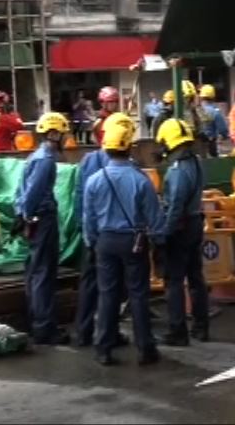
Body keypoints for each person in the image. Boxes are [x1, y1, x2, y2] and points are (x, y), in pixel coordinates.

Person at [82, 113, 164, 366]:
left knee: (107, 294)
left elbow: (89, 219)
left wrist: (92, 243)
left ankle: (103, 348)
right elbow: (155, 218)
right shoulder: (140, 180)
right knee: (138, 294)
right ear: (129, 148)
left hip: (105, 242)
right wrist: (159, 241)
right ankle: (145, 349)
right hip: (134, 242)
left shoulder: (94, 181)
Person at [74, 112, 131, 349]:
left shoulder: (89, 160)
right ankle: (108, 335)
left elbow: (81, 197)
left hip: (94, 234)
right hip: (112, 235)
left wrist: (85, 232)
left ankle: (84, 333)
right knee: (112, 287)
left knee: (91, 284)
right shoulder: (126, 166)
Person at [17, 112, 72, 346]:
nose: (66, 138)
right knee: (44, 274)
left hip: (35, 219)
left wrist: (22, 215)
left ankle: (37, 322)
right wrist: (27, 215)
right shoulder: (45, 161)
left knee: (35, 272)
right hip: (42, 220)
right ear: (53, 134)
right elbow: (33, 193)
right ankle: (44, 328)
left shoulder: (36, 157)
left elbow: (23, 192)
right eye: (63, 134)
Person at [155, 118, 209, 345]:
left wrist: (164, 235)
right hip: (195, 223)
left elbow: (175, 206)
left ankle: (178, 332)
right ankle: (201, 327)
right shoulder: (196, 162)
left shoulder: (176, 171)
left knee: (174, 281)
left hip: (180, 227)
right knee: (196, 278)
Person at [198, 85, 228, 158]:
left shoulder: (196, 111)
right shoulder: (215, 112)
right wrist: (224, 136)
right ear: (213, 97)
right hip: (211, 146)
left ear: (201, 98)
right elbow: (223, 130)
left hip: (197, 147)